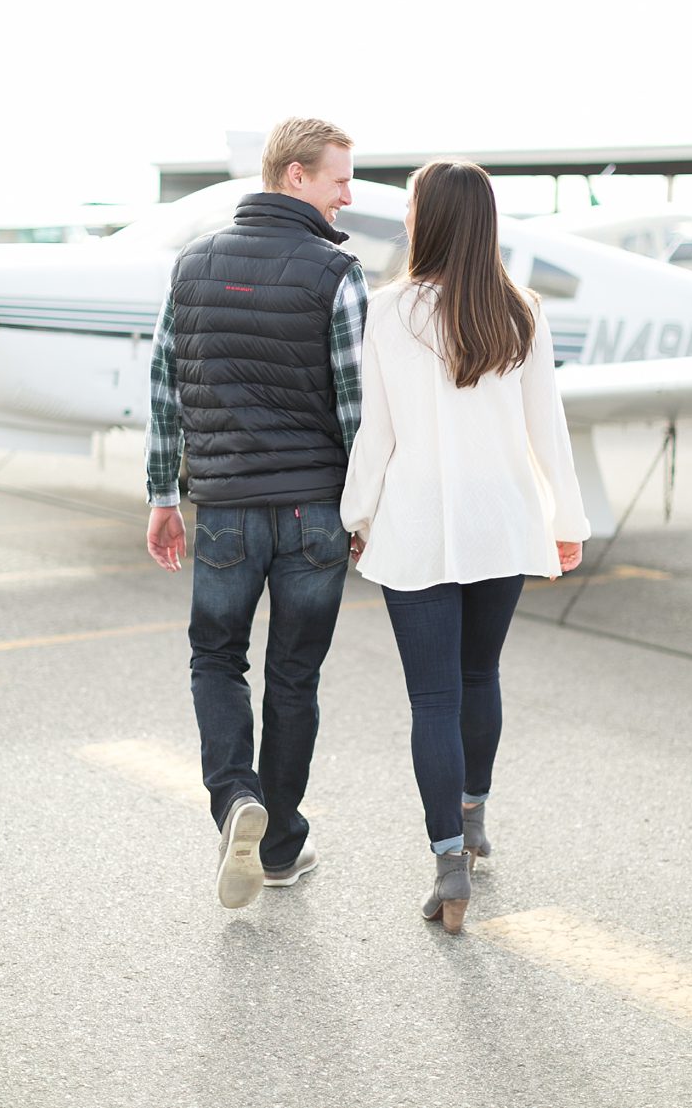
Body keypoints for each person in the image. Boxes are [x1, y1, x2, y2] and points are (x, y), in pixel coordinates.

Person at [339, 159, 590, 935]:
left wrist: (355, 513)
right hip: (505, 522)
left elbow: (375, 435)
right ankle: (474, 815)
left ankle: (449, 860)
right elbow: (548, 427)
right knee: (481, 673)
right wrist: (567, 522)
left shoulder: (388, 311)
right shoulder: (522, 310)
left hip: (417, 524)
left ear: (428, 219)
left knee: (433, 698)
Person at [145, 116, 370, 910]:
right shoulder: (338, 273)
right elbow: (358, 410)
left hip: (228, 507)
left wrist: (163, 496)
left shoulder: (193, 264)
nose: (349, 193)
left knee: (217, 658)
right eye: (339, 177)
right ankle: (277, 848)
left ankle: (235, 795)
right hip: (314, 514)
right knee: (294, 676)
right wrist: (365, 509)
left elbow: (166, 386)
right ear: (294, 175)